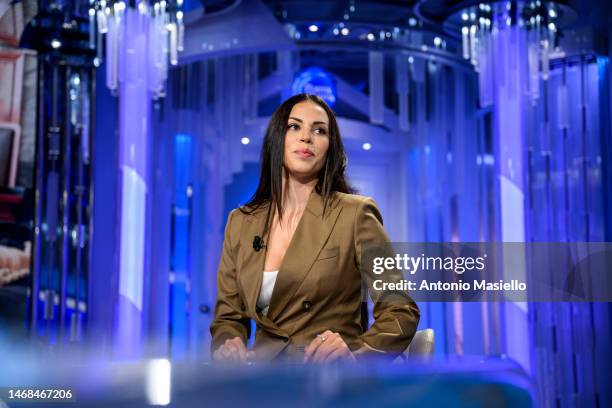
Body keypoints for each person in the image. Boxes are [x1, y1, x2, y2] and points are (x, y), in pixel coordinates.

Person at [210, 93, 419, 363]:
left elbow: (400, 311)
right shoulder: (240, 222)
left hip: (329, 380)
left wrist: (356, 355)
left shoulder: (356, 214)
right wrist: (229, 344)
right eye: (294, 126)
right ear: (277, 139)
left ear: (330, 147)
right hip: (260, 381)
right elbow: (228, 318)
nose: (306, 137)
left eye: (319, 130)